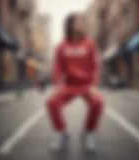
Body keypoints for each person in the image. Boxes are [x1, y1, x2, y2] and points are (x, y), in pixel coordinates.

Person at [46, 13, 103, 151]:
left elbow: (95, 65)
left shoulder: (89, 43)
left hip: (86, 85)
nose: (80, 24)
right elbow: (58, 66)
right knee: (51, 102)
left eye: (82, 21)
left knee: (98, 102)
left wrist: (93, 85)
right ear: (70, 24)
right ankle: (63, 134)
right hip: (69, 84)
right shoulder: (61, 45)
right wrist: (55, 85)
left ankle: (88, 133)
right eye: (77, 21)